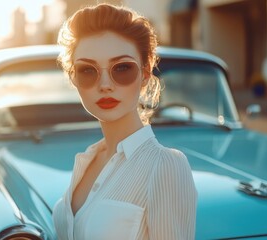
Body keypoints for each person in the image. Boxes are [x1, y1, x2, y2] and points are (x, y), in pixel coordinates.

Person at [53, 3, 197, 240]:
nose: (105, 84)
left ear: (145, 73)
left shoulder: (165, 166)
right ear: (73, 78)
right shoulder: (88, 159)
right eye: (87, 71)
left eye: (122, 68)